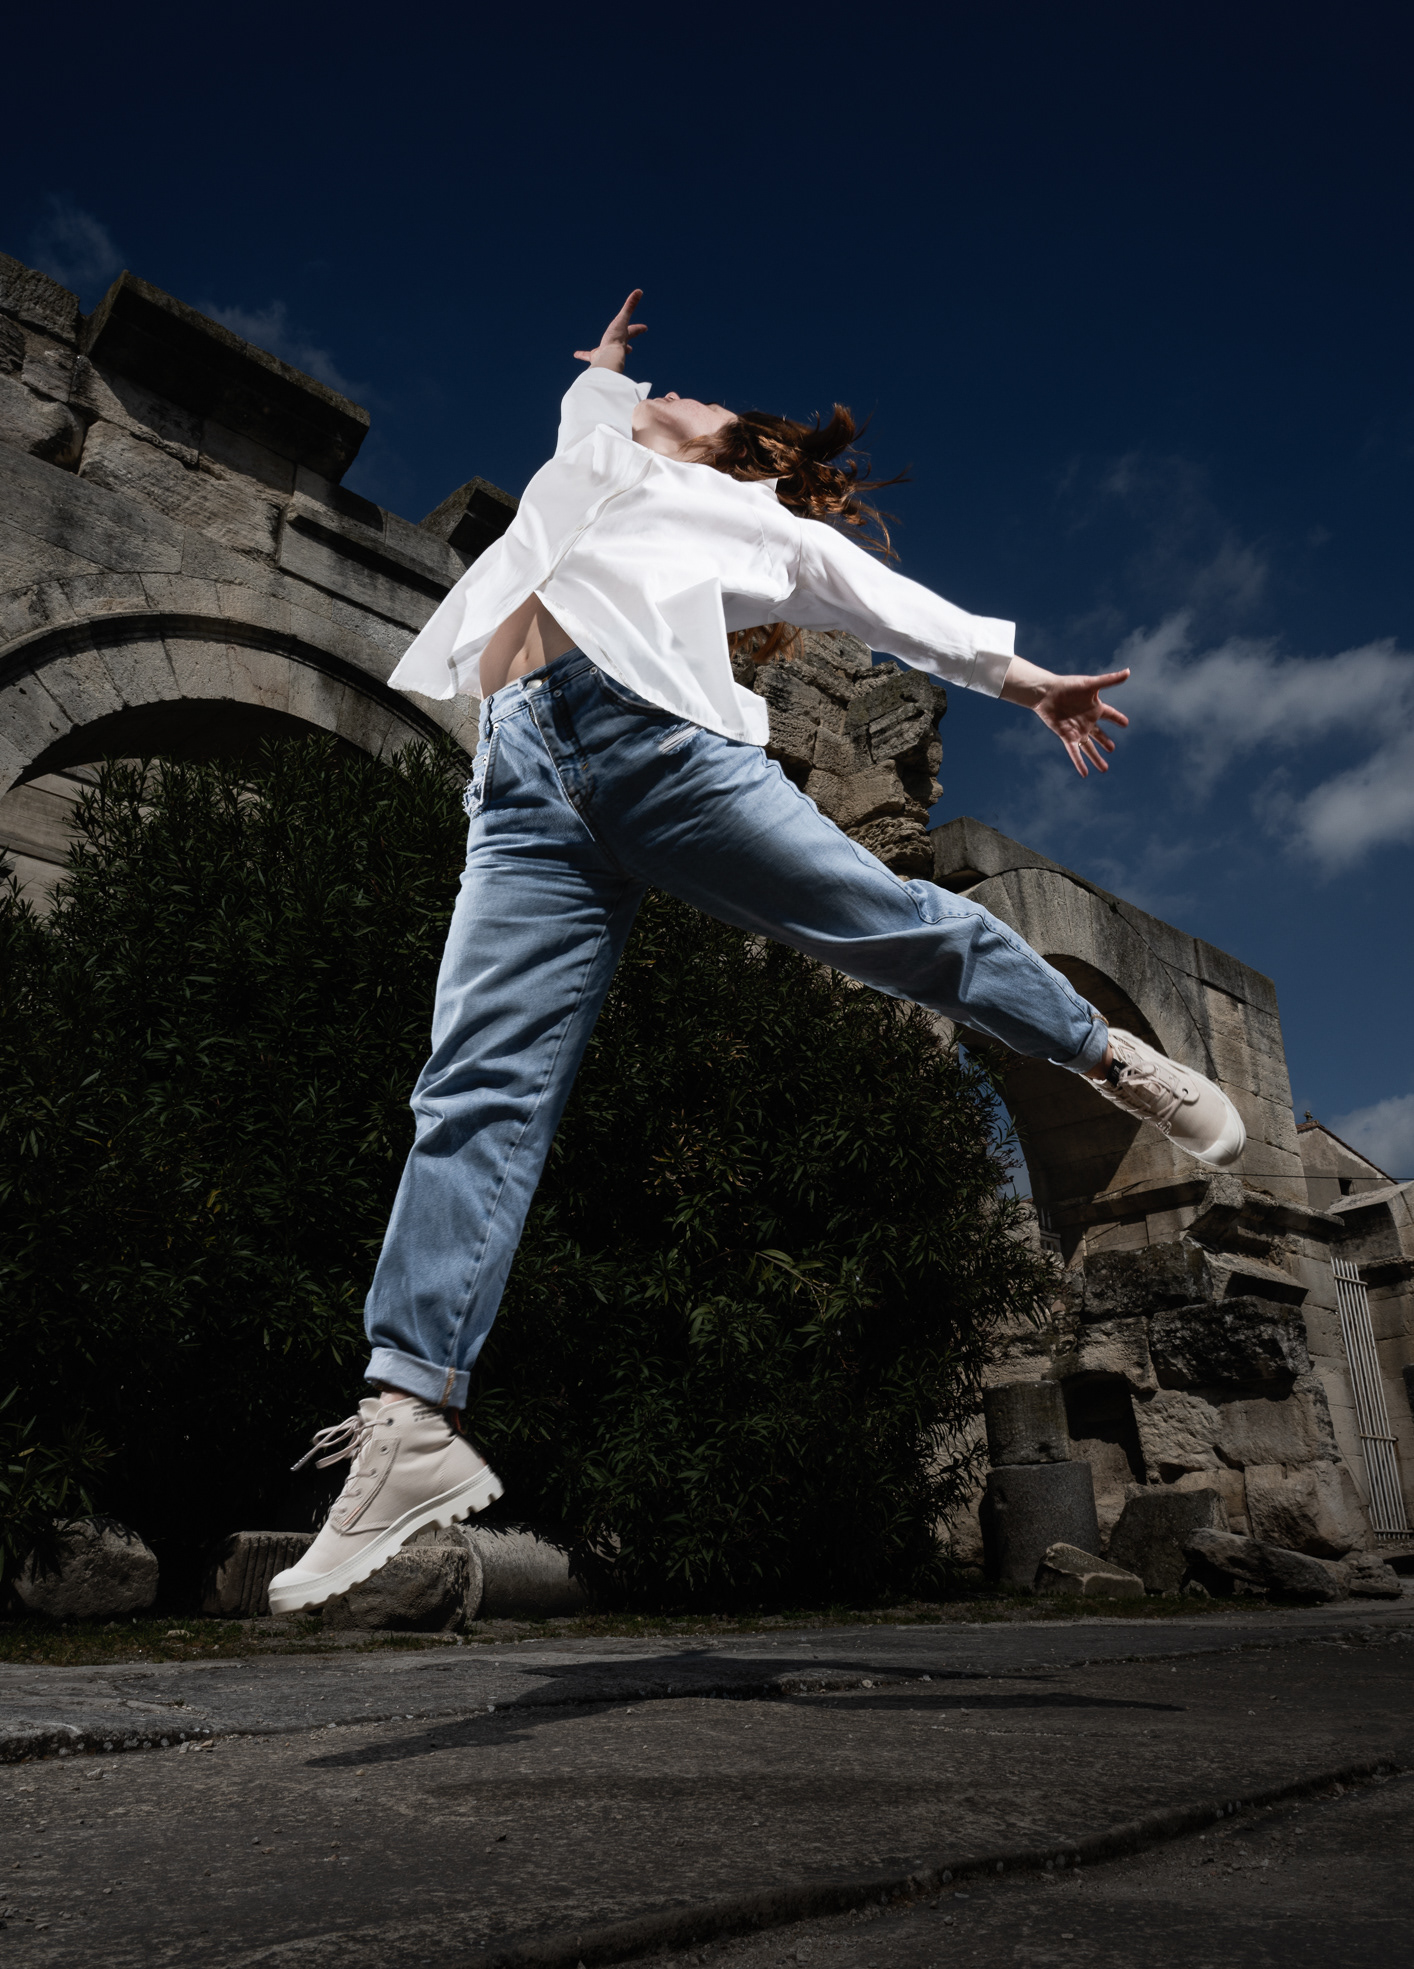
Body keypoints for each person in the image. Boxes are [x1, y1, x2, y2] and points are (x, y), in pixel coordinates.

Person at [268, 292, 1244, 1616]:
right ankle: (408, 1419)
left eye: (712, 396)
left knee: (892, 927)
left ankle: (1099, 1052)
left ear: (744, 452)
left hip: (658, 750)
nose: (690, 384)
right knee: (472, 1086)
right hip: (519, 791)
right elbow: (587, 411)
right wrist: (605, 370)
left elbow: (897, 609)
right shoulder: (598, 458)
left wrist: (1032, 684)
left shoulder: (758, 522)